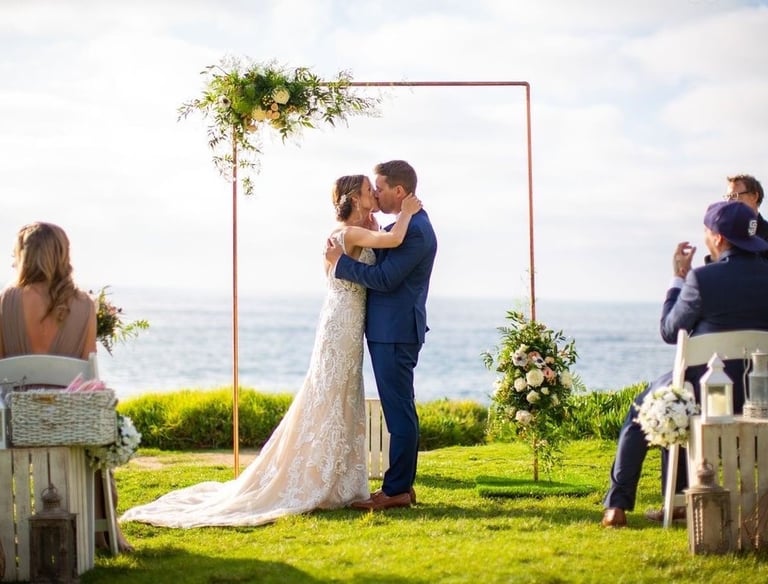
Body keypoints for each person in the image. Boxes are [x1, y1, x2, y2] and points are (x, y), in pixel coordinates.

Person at [120, 175, 422, 527]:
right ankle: (317, 479)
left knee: (337, 396)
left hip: (345, 322)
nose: (374, 193)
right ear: (355, 197)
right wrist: (408, 211)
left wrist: (375, 220)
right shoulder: (348, 234)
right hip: (342, 324)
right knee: (328, 396)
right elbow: (395, 238)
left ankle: (333, 477)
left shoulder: (347, 232)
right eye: (370, 190)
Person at [601, 200, 768, 528]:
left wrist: (679, 278)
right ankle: (676, 502)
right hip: (761, 397)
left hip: (711, 397)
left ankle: (617, 506)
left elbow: (669, 331)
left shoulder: (703, 279)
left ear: (718, 239)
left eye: (707, 231)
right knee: (674, 392)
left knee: (645, 406)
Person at [0, 221, 134, 552]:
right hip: (68, 423)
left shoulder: (6, 301)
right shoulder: (85, 305)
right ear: (62, 255)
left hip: (16, 423)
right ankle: (100, 532)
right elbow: (88, 374)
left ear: (25, 255)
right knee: (90, 418)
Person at [325, 160, 437, 511]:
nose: (375, 193)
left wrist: (341, 265)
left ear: (399, 191)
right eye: (369, 190)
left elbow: (386, 279)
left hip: (395, 332)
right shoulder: (402, 225)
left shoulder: (415, 231)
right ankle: (400, 486)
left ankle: (397, 490)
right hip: (389, 330)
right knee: (399, 408)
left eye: (380, 188)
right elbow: (383, 243)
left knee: (399, 410)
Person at [704, 174, 768, 263]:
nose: (729, 202)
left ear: (754, 197)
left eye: (734, 196)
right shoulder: (724, 235)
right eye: (727, 197)